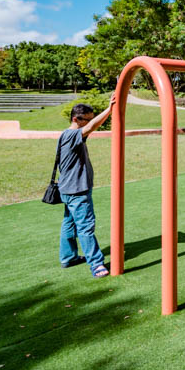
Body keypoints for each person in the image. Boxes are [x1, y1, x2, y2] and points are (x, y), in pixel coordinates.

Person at [57, 95, 116, 278]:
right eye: (87, 119)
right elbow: (92, 127)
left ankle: (68, 257)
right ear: (76, 119)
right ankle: (96, 264)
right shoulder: (71, 135)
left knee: (70, 223)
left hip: (68, 188)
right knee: (85, 226)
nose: (90, 123)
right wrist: (109, 109)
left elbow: (89, 128)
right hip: (77, 190)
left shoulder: (71, 136)